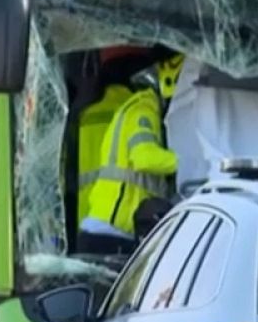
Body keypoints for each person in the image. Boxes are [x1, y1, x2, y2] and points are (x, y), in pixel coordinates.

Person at [78, 49, 183, 254]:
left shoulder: (137, 106)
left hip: (106, 229)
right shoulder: (144, 108)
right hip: (110, 233)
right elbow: (143, 157)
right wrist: (189, 162)